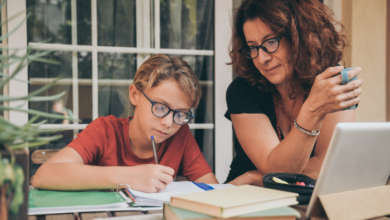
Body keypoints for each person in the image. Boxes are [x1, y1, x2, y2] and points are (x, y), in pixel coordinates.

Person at [225, 0, 363, 186]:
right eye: (253, 47)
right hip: (247, 198)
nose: (262, 58)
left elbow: (328, 166)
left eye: (271, 42)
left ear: (300, 37)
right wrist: (313, 110)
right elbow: (275, 169)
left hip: (299, 197)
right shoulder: (242, 91)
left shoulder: (332, 83)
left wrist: (254, 177)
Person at [32, 54, 218, 192]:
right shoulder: (105, 131)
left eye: (181, 114)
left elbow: (212, 191)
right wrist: (128, 177)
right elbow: (43, 175)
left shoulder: (180, 134)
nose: (168, 123)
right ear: (134, 95)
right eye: (160, 107)